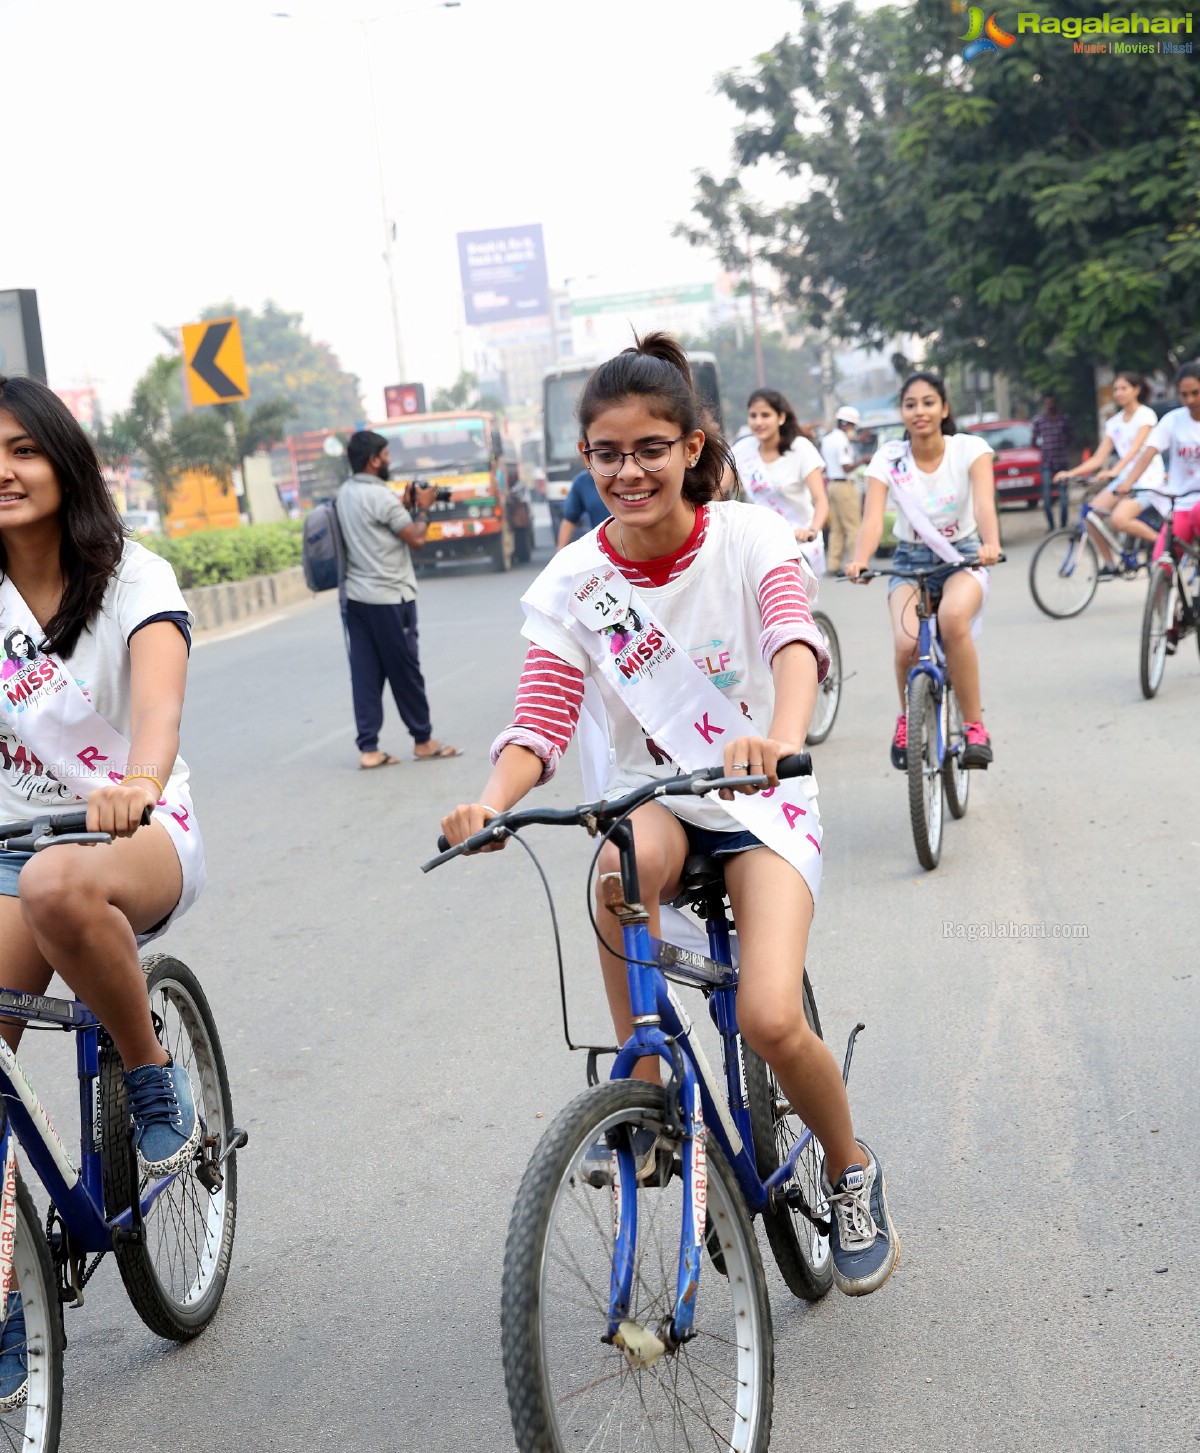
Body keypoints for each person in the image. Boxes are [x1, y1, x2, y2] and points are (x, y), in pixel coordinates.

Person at [441, 333, 898, 1296]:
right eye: (607, 454)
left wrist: (778, 734)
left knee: (770, 1015)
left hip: (760, 796)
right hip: (658, 797)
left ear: (692, 446)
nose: (628, 471)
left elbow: (791, 638)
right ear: (586, 461)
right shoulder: (574, 582)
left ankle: (852, 1169)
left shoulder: (748, 535)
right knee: (615, 867)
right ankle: (642, 1088)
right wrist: (490, 801)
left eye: (649, 448)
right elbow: (541, 717)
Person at [0, 377, 208, 1401]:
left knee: (56, 884)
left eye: (21, 449)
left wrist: (138, 783)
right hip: (11, 843)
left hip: (136, 831)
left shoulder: (133, 578)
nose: (2, 469)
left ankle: (148, 1071)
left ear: (63, 461)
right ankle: (2, 1297)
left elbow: (158, 711)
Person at [846, 369, 1001, 771]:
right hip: (908, 562)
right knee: (906, 644)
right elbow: (872, 517)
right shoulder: (889, 459)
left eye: (928, 402)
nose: (920, 411)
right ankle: (907, 718)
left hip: (963, 558)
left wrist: (991, 543)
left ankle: (974, 728)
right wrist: (861, 559)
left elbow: (985, 504)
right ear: (902, 412)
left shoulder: (970, 449)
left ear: (944, 408)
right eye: (910, 404)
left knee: (952, 619)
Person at [337, 430, 459, 769]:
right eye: (387, 455)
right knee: (405, 670)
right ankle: (423, 740)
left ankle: (369, 749)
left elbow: (377, 524)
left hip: (357, 598)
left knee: (365, 673)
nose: (390, 461)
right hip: (390, 598)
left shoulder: (346, 493)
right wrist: (423, 509)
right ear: (374, 459)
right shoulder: (381, 497)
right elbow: (416, 538)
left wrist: (405, 505)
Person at [1055, 373, 1165, 569]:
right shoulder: (1113, 423)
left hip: (1148, 479)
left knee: (1119, 519)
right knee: (1091, 515)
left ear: (1136, 390)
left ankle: (1165, 544)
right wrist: (1071, 473)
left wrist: (1115, 470)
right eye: (1116, 389)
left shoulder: (1145, 415)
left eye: (1124, 388)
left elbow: (1135, 451)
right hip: (1123, 478)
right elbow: (1098, 458)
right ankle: (1109, 563)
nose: (1119, 393)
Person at [733, 388, 829, 576]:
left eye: (765, 415)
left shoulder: (800, 448)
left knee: (785, 590)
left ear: (781, 418)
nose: (758, 422)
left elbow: (821, 500)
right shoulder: (742, 450)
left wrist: (812, 530)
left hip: (801, 541)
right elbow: (717, 489)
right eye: (753, 415)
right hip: (763, 540)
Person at [1113, 361, 1200, 561]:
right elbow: (1148, 453)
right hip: (1180, 502)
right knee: (1162, 560)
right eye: (1184, 394)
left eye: (1196, 393)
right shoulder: (1173, 420)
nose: (1190, 400)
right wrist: (1127, 482)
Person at [820, 407, 862, 574]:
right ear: (846, 424)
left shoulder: (828, 438)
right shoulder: (842, 440)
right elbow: (846, 467)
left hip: (832, 485)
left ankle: (833, 564)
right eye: (853, 426)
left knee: (836, 528)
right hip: (845, 485)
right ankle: (856, 562)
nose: (853, 430)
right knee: (853, 526)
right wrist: (863, 460)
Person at [1030, 394, 1073, 530]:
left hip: (1061, 462)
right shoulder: (1040, 421)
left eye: (1052, 402)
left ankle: (1063, 526)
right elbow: (1033, 441)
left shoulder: (1063, 420)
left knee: (1064, 498)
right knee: (1047, 499)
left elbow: (1070, 437)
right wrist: (1044, 449)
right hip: (1046, 463)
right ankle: (1051, 525)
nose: (1050, 405)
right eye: (1047, 403)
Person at [556, 466, 610, 548]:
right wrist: (559, 554)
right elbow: (569, 519)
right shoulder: (582, 483)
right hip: (604, 548)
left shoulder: (627, 477)